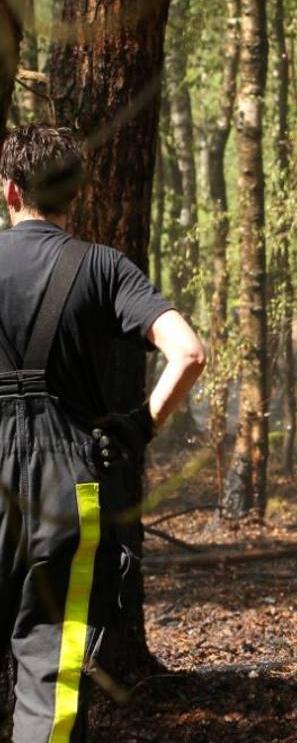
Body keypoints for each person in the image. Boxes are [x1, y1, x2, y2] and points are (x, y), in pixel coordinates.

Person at [0, 125, 206, 743]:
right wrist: (139, 424)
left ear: (8, 189)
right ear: (73, 194)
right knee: (52, 676)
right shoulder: (101, 267)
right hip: (68, 484)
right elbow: (189, 353)